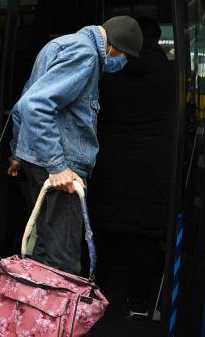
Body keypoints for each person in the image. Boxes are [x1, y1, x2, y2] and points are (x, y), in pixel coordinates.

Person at [7, 16, 144, 275]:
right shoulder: (87, 55)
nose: (121, 64)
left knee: (45, 246)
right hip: (60, 168)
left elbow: (22, 103)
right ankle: (58, 315)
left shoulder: (61, 44)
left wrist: (17, 151)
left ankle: (39, 312)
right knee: (63, 258)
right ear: (114, 47)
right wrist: (58, 166)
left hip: (37, 160)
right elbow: (35, 105)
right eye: (125, 57)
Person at [88, 16, 176, 319]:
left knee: (103, 231)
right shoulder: (168, 71)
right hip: (153, 166)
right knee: (145, 236)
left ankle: (95, 296)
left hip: (109, 160)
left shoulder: (109, 69)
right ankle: (138, 303)